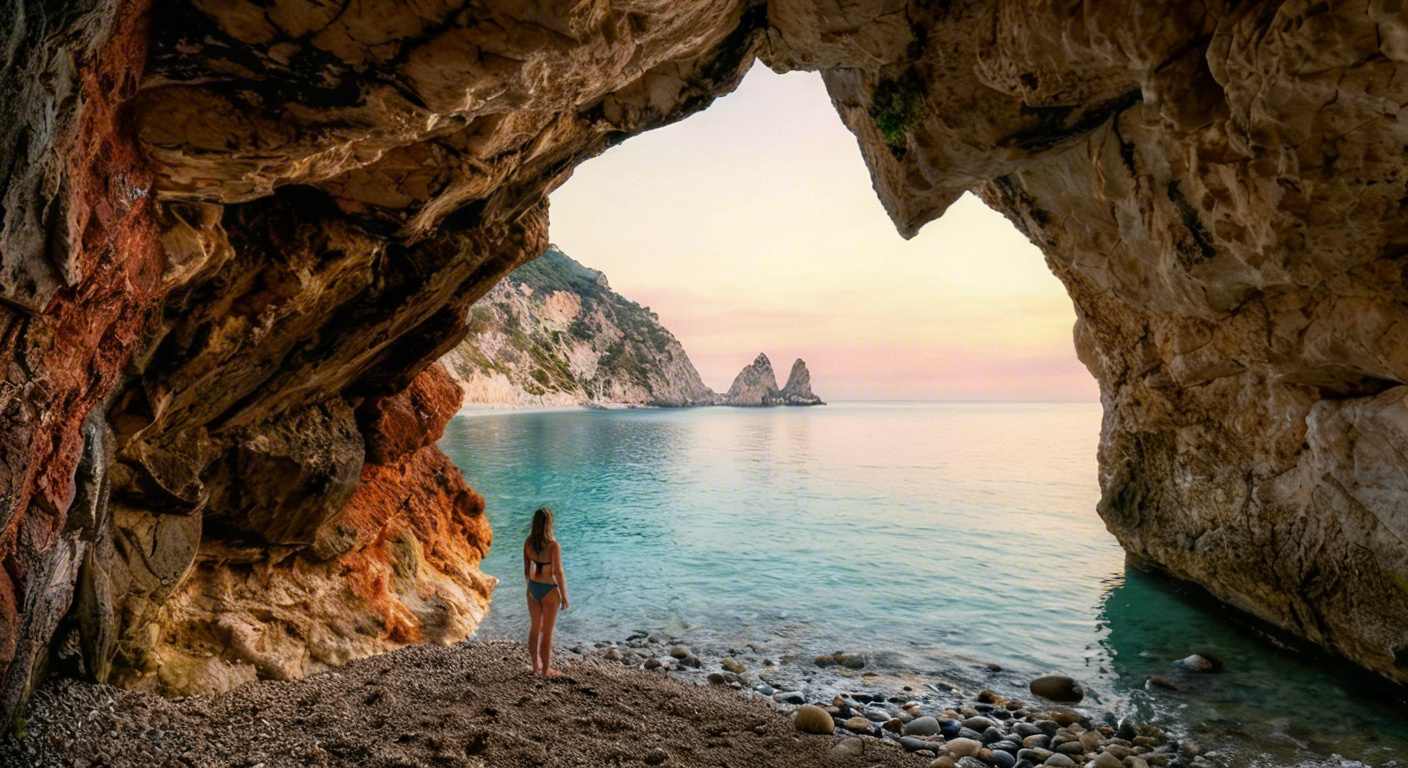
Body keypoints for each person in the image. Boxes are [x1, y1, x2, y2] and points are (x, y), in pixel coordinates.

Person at [523, 506, 569, 675]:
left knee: (534, 629)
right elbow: (558, 572)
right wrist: (564, 595)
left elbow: (526, 570)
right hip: (549, 590)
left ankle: (535, 667)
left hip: (533, 588)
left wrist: (529, 589)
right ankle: (546, 670)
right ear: (549, 524)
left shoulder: (528, 542)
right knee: (547, 633)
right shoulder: (553, 545)